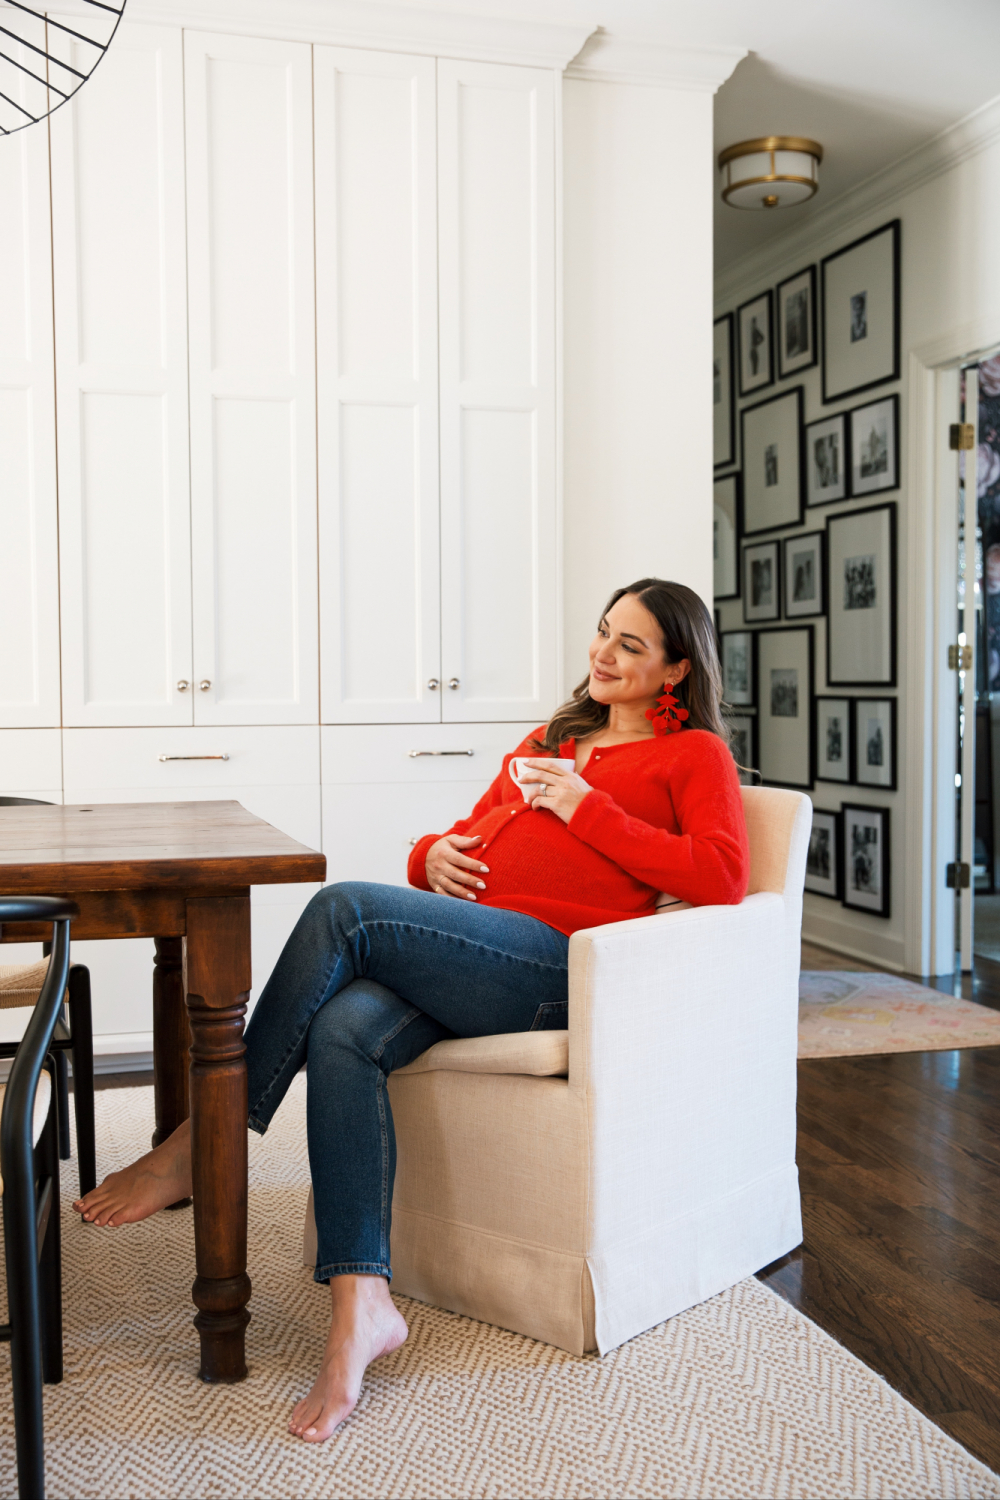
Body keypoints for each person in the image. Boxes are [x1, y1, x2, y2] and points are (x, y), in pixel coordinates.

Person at [74, 578, 750, 1441]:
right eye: (602, 633)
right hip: (474, 954)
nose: (602, 655)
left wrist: (589, 808)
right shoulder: (555, 735)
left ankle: (209, 1134)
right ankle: (363, 1303)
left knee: (343, 908)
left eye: (630, 646)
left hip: (552, 970)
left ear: (676, 670)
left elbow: (722, 876)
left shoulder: (692, 756)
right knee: (344, 1025)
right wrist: (431, 857)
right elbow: (467, 829)